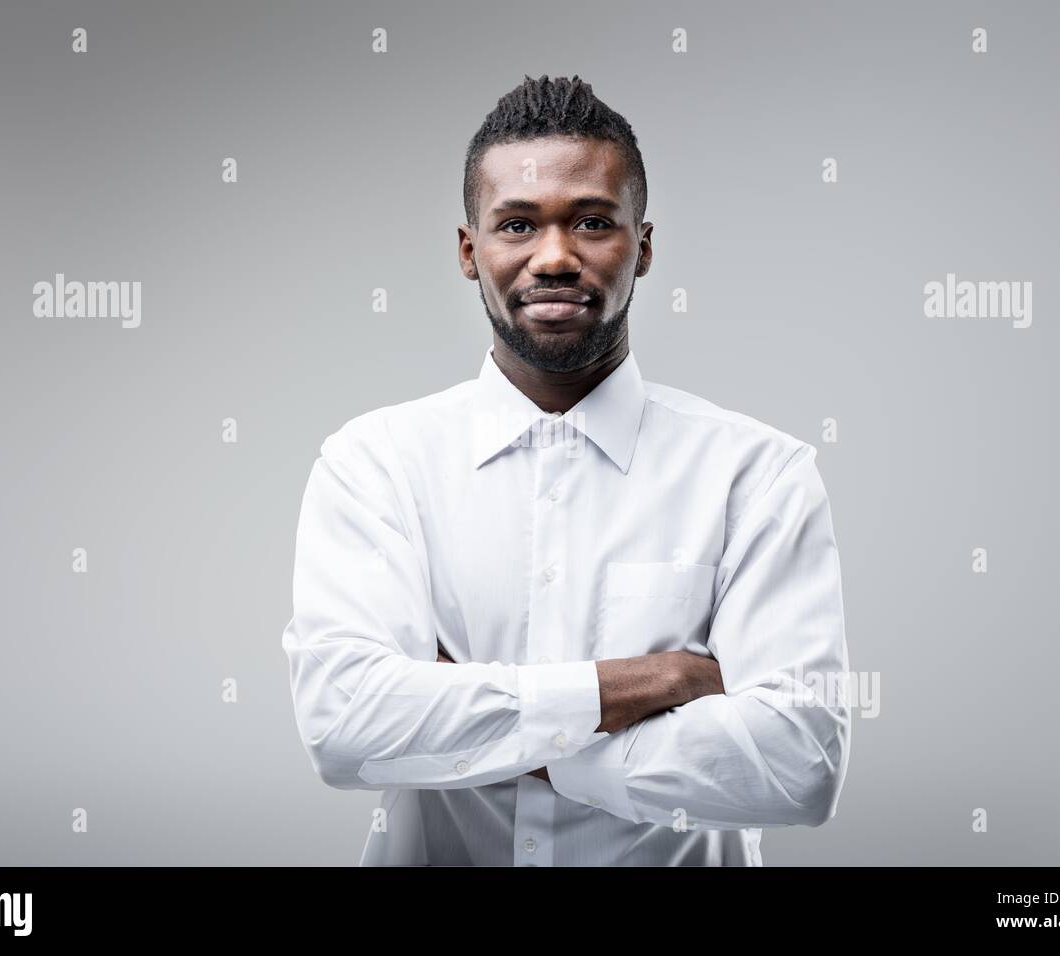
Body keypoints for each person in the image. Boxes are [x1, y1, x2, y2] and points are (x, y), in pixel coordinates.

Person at [281, 74, 851, 865]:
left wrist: (485, 719)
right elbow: (345, 729)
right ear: (468, 249)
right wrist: (648, 684)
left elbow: (799, 768)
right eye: (517, 224)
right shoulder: (375, 466)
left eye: (591, 221)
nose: (554, 257)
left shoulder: (757, 476)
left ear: (643, 246)